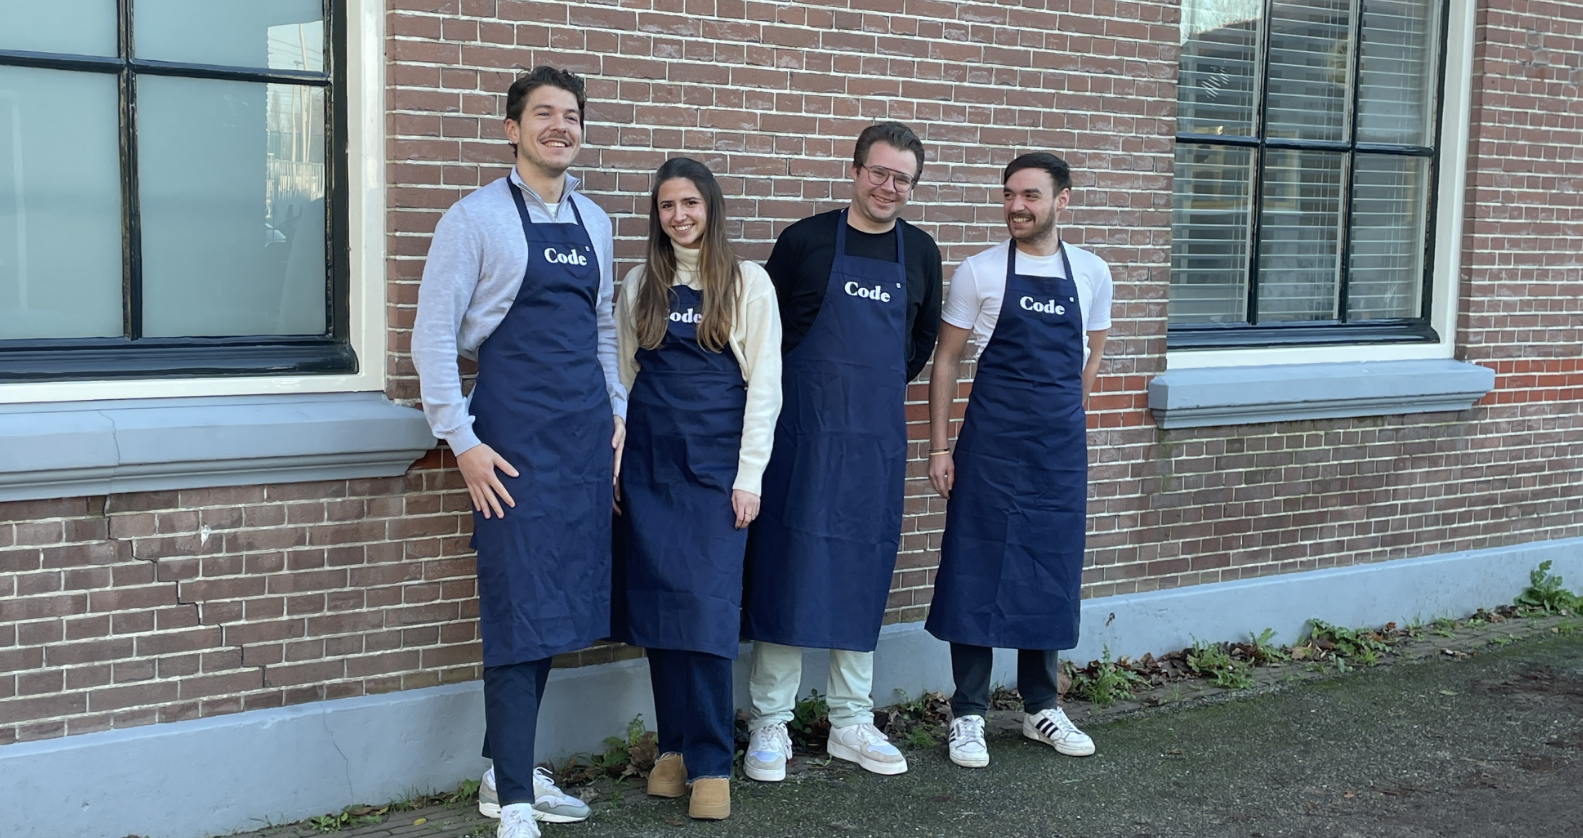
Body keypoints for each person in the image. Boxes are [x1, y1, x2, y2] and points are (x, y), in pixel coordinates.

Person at [412, 67, 622, 838]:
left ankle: (507, 771)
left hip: (579, 444)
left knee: (555, 608)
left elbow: (602, 331)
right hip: (507, 447)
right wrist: (461, 442)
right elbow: (431, 340)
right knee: (514, 611)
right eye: (543, 115)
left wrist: (618, 416)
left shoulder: (596, 222)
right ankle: (515, 801)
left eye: (570, 116)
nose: (559, 127)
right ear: (512, 129)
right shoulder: (472, 220)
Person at [741, 122, 943, 782]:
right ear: (854, 171)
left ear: (911, 185)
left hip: (872, 446)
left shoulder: (920, 252)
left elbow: (917, 347)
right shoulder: (801, 242)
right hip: (800, 437)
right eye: (878, 172)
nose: (888, 187)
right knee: (785, 564)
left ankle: (850, 719)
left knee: (860, 571)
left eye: (902, 178)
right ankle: (769, 720)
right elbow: (764, 340)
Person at [925, 152, 1111, 769]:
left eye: (1030, 195)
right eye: (1009, 195)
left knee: (1049, 570)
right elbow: (947, 363)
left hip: (1058, 455)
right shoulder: (979, 273)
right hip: (991, 449)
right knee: (975, 568)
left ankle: (1041, 707)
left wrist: (1062, 419)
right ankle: (969, 714)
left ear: (1063, 201)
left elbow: (1092, 355)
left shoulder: (1091, 274)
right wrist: (939, 446)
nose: (1016, 207)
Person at [609, 157, 783, 820]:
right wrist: (617, 467)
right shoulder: (638, 285)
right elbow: (622, 381)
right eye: (666, 206)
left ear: (710, 207)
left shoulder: (747, 283)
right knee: (659, 615)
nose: (678, 216)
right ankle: (673, 751)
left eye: (689, 203)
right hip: (650, 472)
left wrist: (749, 478)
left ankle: (712, 762)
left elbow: (764, 389)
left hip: (715, 475)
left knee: (706, 616)